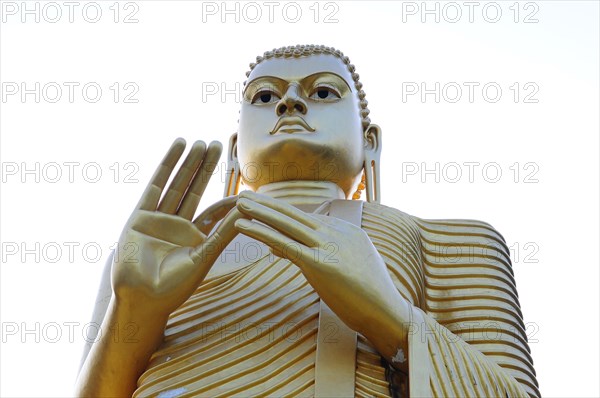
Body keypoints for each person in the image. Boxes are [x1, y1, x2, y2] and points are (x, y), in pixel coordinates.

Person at [75, 44, 540, 397]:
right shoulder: (150, 257)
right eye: (264, 96)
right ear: (236, 149)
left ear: (370, 141)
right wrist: (133, 315)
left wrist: (392, 321)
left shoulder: (454, 241)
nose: (289, 104)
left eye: (322, 92)